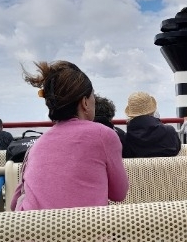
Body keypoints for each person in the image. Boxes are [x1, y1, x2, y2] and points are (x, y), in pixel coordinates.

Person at [10, 61, 128, 211]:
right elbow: (119, 193)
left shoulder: (36, 145)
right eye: (93, 97)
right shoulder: (103, 135)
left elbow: (14, 203)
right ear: (85, 102)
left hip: (35, 232)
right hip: (89, 233)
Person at [123, 92, 181, 158]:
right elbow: (177, 151)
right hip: (168, 168)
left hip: (139, 168)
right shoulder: (169, 132)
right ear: (153, 110)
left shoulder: (126, 140)